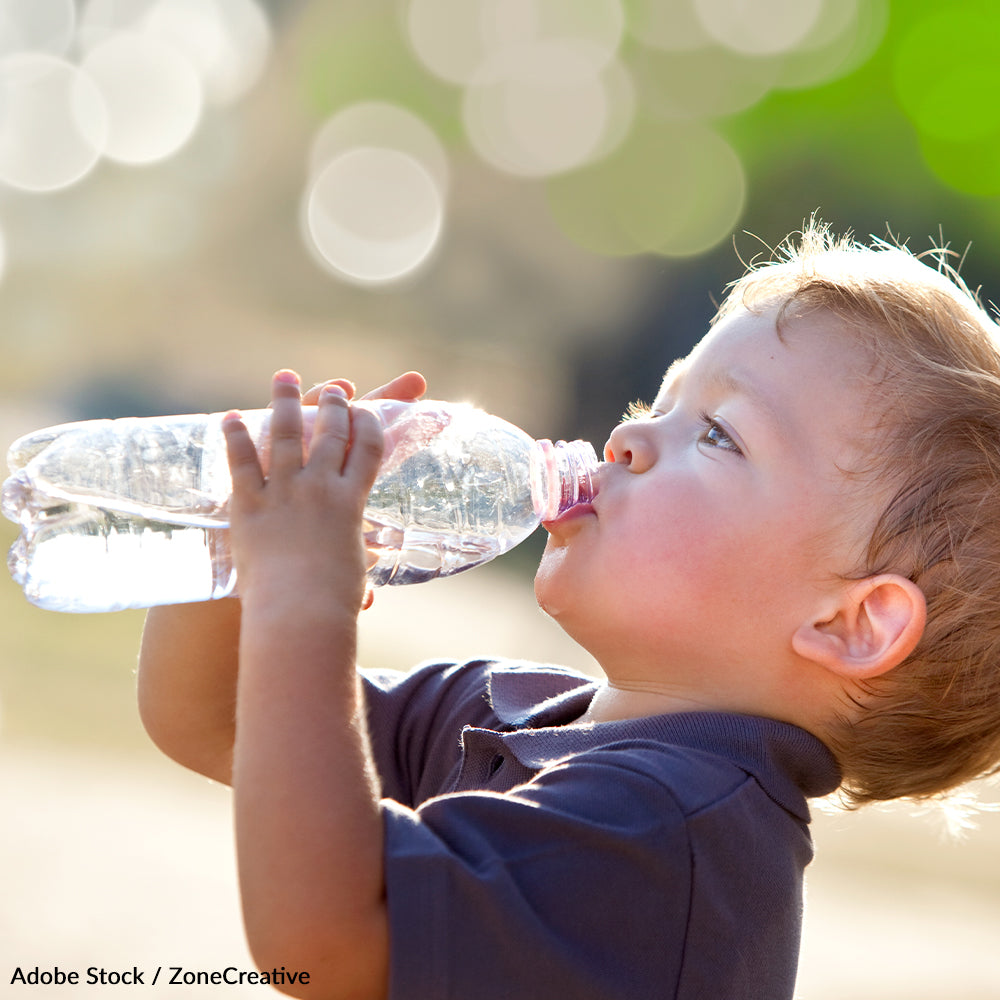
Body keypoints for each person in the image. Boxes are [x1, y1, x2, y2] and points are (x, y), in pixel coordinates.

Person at [136, 220, 1000, 1000]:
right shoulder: (511, 712)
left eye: (718, 434)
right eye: (659, 401)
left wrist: (305, 600)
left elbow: (325, 940)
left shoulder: (672, 829)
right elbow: (217, 716)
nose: (626, 438)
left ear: (852, 624)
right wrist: (237, 544)